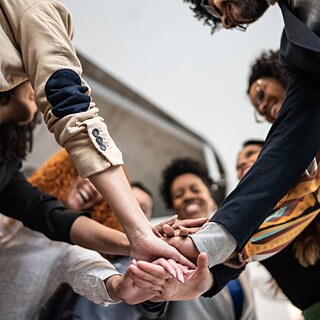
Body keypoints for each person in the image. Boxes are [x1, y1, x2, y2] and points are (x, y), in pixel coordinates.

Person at [0, 0, 191, 266]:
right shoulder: (35, 9)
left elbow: (48, 214)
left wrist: (134, 241)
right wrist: (139, 231)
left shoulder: (6, 172)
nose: (33, 74)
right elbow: (69, 101)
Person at [167, 0, 320, 273]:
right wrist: (211, 240)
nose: (224, 22)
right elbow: (286, 157)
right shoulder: (300, 57)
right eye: (259, 110)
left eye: (212, 8)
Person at [139, 158, 256, 320]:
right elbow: (150, 309)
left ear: (212, 201)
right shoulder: (168, 247)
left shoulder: (235, 245)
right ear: (174, 208)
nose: (188, 196)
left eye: (195, 189)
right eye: (179, 195)